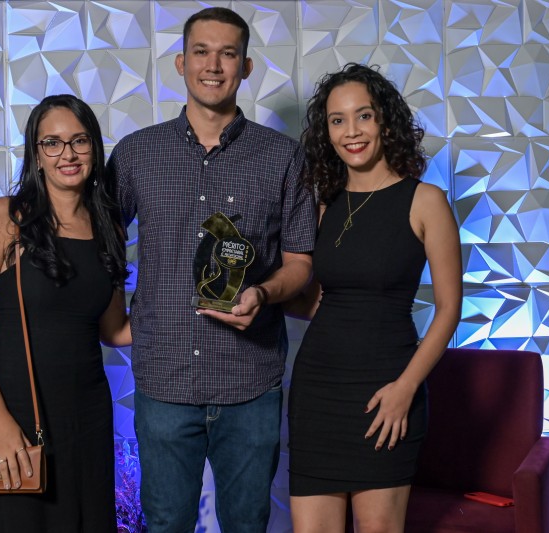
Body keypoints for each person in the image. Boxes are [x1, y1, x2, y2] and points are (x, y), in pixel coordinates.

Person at [106, 7, 317, 532]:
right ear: (181, 63)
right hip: (164, 378)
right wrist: (111, 322)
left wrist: (264, 293)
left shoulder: (283, 157)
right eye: (201, 52)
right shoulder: (136, 154)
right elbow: (97, 246)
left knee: (247, 524)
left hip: (251, 380)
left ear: (246, 67)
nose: (214, 65)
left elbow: (300, 263)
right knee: (166, 524)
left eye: (228, 54)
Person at [285, 63, 462, 533]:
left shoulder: (426, 201)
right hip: (317, 392)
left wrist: (406, 389)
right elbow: (318, 302)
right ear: (326, 132)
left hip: (387, 389)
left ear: (385, 121)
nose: (351, 131)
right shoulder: (324, 204)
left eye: (363, 115)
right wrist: (258, 292)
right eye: (337, 120)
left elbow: (449, 310)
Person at [0, 94, 130, 532]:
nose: (68, 154)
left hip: (87, 416)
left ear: (94, 149)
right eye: (53, 142)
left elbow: (115, 330)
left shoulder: (109, 226)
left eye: (79, 141)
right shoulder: (6, 218)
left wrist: (191, 304)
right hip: (14, 410)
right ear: (36, 154)